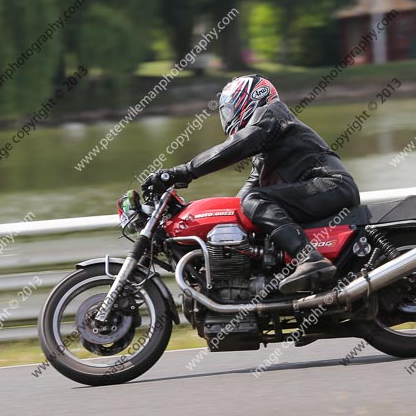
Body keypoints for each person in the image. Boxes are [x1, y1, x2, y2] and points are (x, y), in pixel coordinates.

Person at [142, 74, 360, 294]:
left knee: (256, 199)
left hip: (331, 185)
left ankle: (310, 259)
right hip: (321, 191)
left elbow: (239, 144)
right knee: (248, 205)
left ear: (249, 100)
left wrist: (182, 172)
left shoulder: (273, 114)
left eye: (229, 110)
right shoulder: (264, 153)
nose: (228, 118)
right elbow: (239, 202)